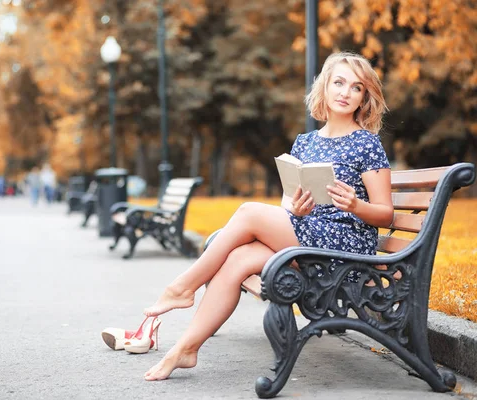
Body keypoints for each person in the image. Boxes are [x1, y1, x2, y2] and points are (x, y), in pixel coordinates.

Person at [122, 52, 395, 381]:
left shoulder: (366, 143)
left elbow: (386, 214)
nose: (344, 92)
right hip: (308, 236)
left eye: (356, 88)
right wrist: (295, 208)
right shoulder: (305, 143)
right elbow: (287, 205)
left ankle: (183, 287)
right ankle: (186, 349)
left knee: (248, 211)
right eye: (338, 82)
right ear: (324, 86)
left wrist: (355, 205)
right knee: (238, 258)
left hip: (344, 252)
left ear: (365, 97)